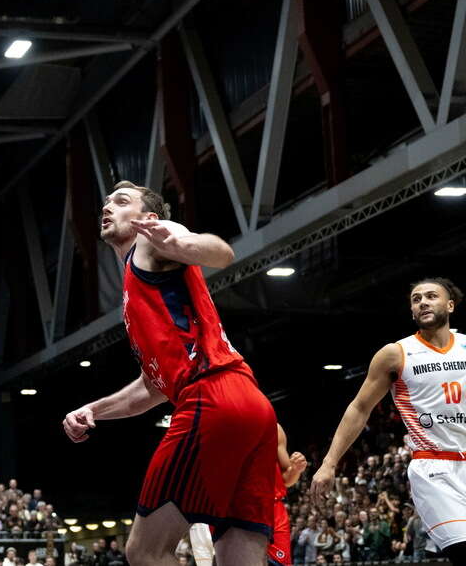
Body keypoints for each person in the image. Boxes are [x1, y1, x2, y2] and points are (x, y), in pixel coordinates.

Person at [61, 181, 277, 565]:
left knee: (145, 551)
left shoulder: (151, 243)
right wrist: (94, 409)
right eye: (106, 203)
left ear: (148, 218)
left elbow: (221, 253)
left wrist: (182, 245)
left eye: (121, 202)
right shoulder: (137, 283)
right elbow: (151, 388)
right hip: (252, 406)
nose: (107, 208)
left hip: (212, 399)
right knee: (237, 558)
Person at [311, 278, 466, 565]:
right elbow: (359, 408)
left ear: (450, 305)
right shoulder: (396, 354)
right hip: (435, 468)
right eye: (417, 299)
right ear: (411, 311)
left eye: (432, 296)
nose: (423, 302)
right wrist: (329, 462)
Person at [268, 424, 308, 566]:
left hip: (272, 510)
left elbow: (286, 479)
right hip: (236, 509)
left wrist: (296, 469)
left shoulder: (274, 428)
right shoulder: (221, 424)